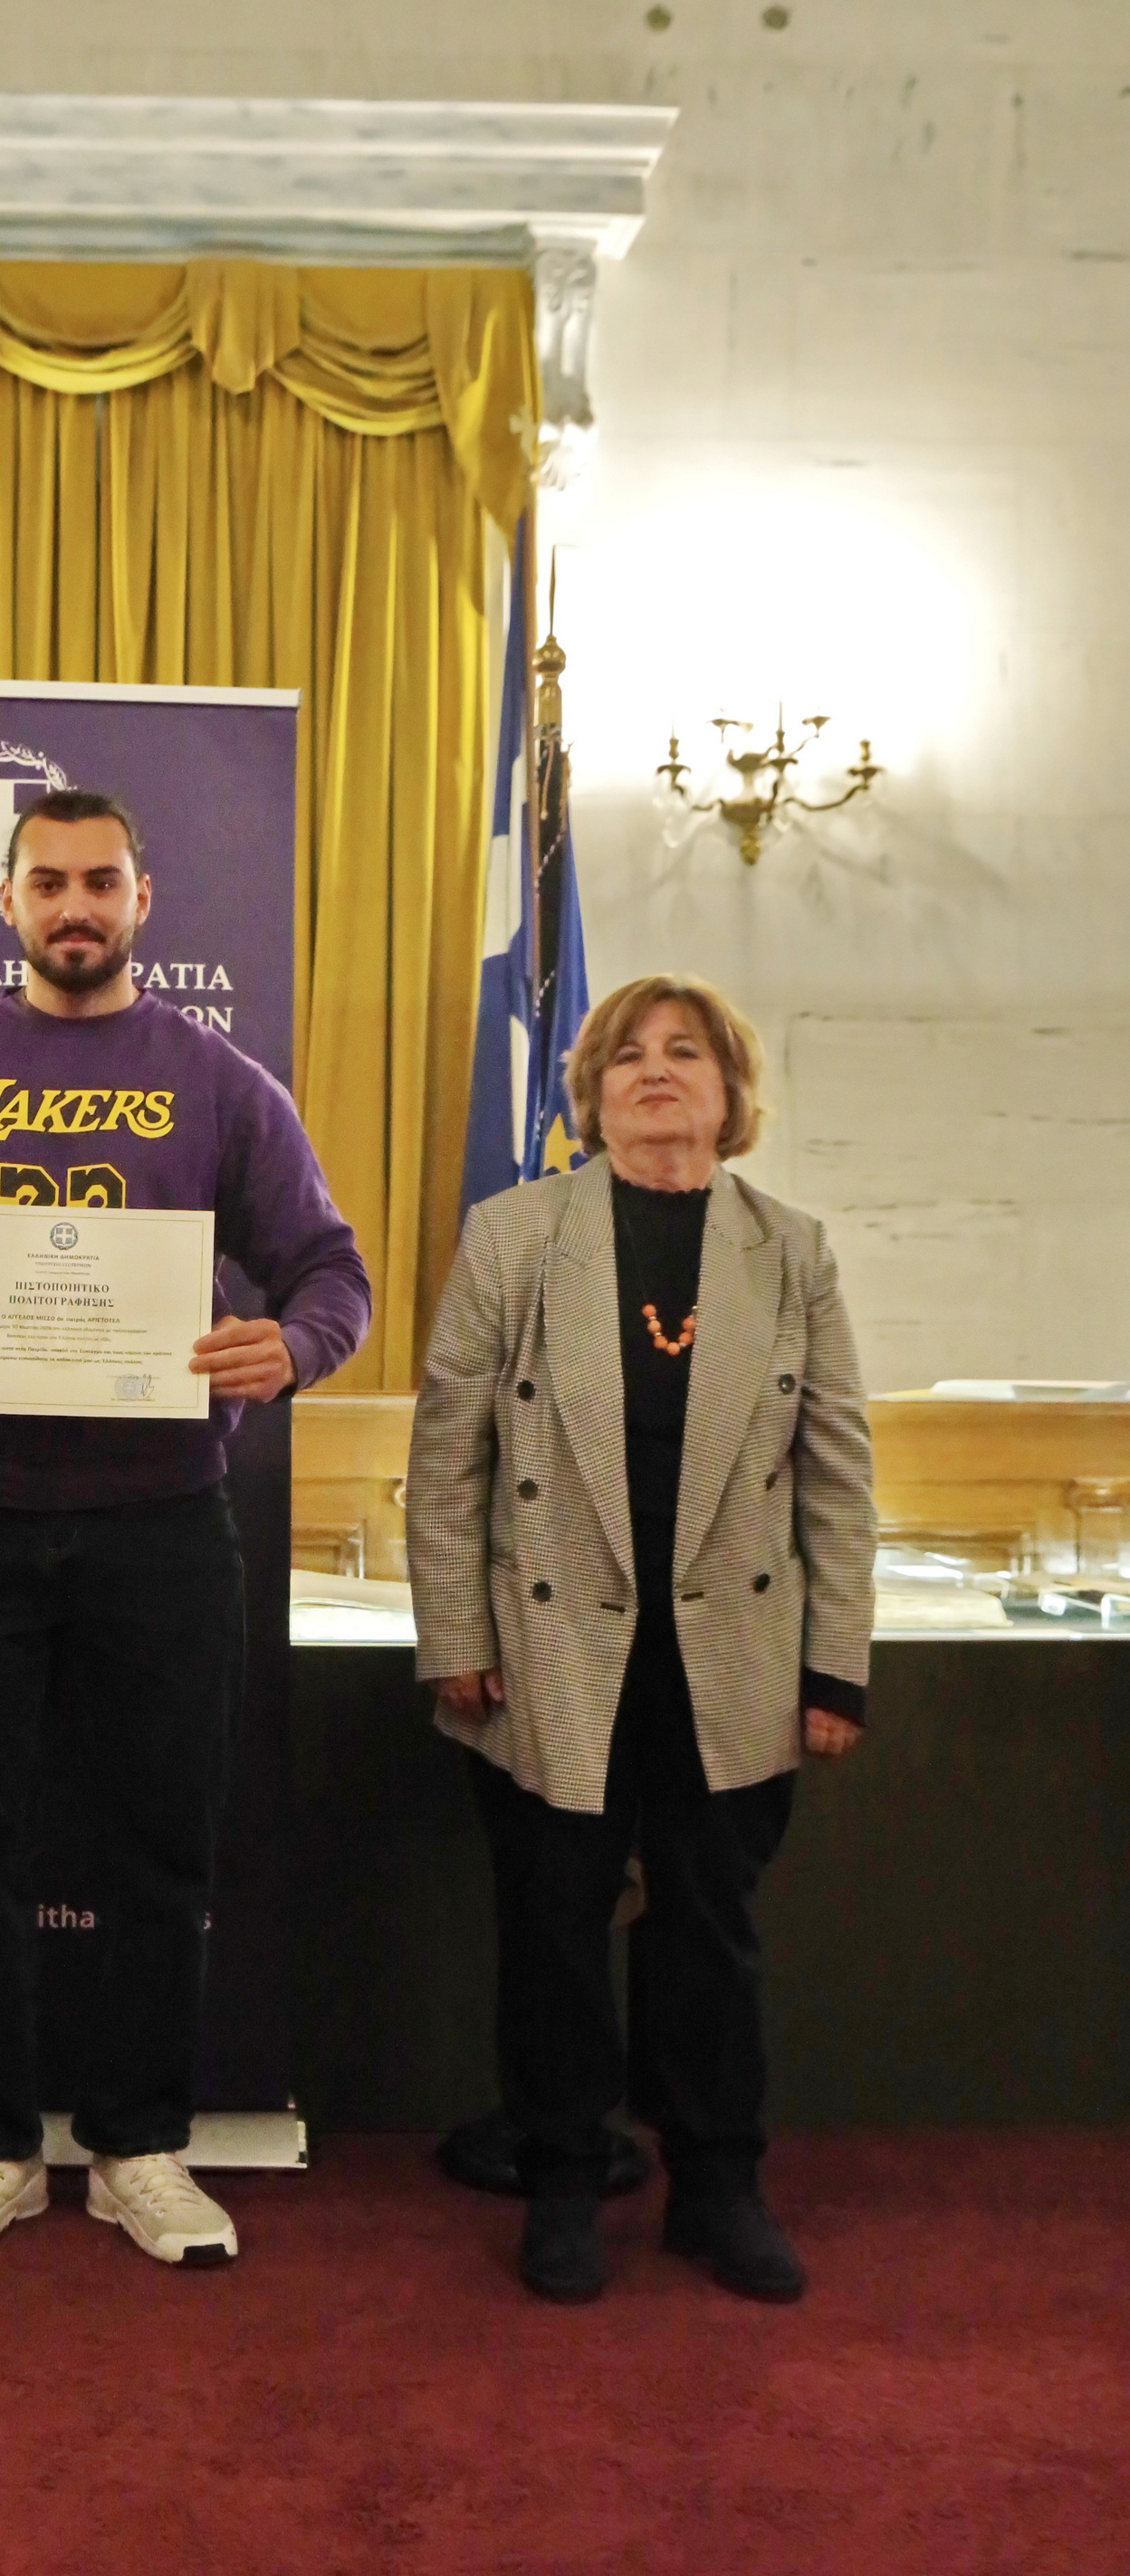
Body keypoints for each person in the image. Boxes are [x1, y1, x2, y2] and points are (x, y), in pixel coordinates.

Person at [0, 790, 370, 2269]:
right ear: (5, 903)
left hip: (163, 1525)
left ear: (142, 899)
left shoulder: (221, 1083)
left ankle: (138, 2147)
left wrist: (293, 1347)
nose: (75, 906)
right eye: (46, 882)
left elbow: (330, 1273)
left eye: (100, 881)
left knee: (158, 1848)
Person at [407, 974, 876, 2308]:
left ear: (730, 1094)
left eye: (685, 1053)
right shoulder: (514, 1236)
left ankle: (719, 2189)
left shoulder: (791, 1249)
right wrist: (455, 1633)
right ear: (593, 1094)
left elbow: (838, 1473)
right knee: (553, 1932)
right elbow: (449, 1455)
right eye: (626, 1055)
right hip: (550, 1651)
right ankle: (563, 2179)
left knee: (710, 1937)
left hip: (733, 1656)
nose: (655, 1071)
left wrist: (836, 1664)